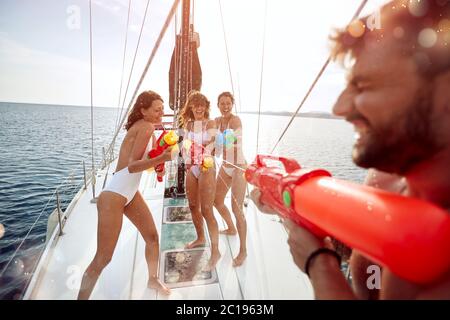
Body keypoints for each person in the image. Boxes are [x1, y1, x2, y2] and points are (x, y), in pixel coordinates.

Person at [251, 0, 450, 299]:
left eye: (365, 86)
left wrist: (319, 265)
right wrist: (295, 209)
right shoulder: (383, 178)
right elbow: (365, 249)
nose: (339, 108)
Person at [78, 91, 173, 299]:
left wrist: (159, 164)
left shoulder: (149, 129)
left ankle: (152, 279)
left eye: (162, 110)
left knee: (152, 238)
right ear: (143, 111)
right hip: (114, 195)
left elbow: (146, 160)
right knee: (103, 259)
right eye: (156, 110)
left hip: (128, 194)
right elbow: (132, 166)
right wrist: (162, 158)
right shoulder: (146, 127)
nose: (160, 114)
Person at [179, 90, 221, 271]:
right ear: (191, 107)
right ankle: (200, 237)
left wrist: (199, 151)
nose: (199, 108)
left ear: (206, 107)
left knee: (207, 210)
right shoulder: (188, 124)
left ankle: (216, 252)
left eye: (202, 105)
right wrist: (187, 159)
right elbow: (185, 146)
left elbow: (211, 144)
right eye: (195, 105)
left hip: (206, 166)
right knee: (193, 206)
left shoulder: (210, 123)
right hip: (192, 168)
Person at [213, 92, 248, 267]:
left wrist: (221, 143)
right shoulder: (216, 121)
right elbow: (212, 143)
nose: (225, 106)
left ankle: (243, 251)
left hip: (238, 167)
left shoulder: (235, 121)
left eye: (228, 103)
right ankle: (231, 228)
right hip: (225, 165)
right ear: (218, 104)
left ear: (232, 104)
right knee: (216, 200)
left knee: (237, 208)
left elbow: (237, 144)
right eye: (222, 103)